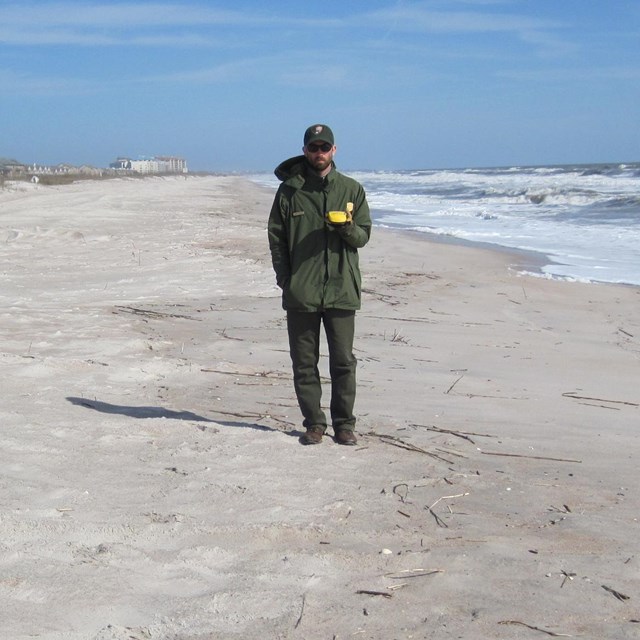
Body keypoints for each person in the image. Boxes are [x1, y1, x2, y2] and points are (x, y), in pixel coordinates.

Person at [267, 124, 372, 446]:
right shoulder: (289, 192)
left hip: (341, 290)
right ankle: (314, 424)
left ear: (334, 151)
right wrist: (286, 279)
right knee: (304, 363)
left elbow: (363, 238)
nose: (319, 153)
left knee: (343, 362)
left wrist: (346, 228)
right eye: (313, 148)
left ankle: (344, 425)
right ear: (305, 151)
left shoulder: (352, 189)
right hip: (302, 293)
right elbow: (276, 238)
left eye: (324, 147)